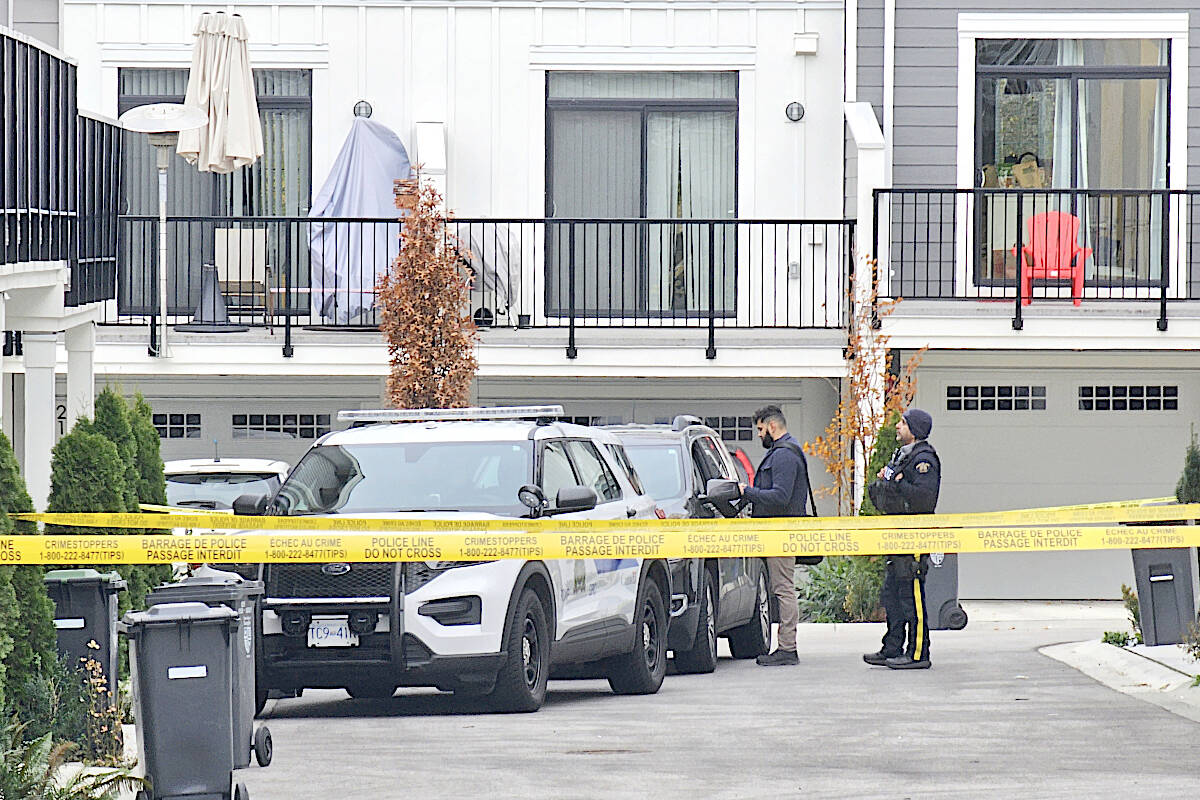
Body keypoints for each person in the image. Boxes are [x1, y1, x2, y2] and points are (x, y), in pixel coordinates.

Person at [862, 408, 942, 670]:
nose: (897, 426)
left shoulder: (924, 460)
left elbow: (924, 498)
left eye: (903, 423)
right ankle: (892, 648)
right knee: (893, 594)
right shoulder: (902, 456)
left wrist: (898, 482)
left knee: (913, 596)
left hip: (914, 537)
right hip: (896, 536)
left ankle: (918, 654)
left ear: (914, 430)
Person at [738, 405, 814, 667]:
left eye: (760, 429)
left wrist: (746, 491)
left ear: (772, 426)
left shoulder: (783, 456)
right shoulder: (783, 452)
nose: (759, 435)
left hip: (782, 532)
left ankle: (787, 647)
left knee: (783, 588)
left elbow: (780, 497)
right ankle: (785, 646)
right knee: (781, 587)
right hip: (776, 531)